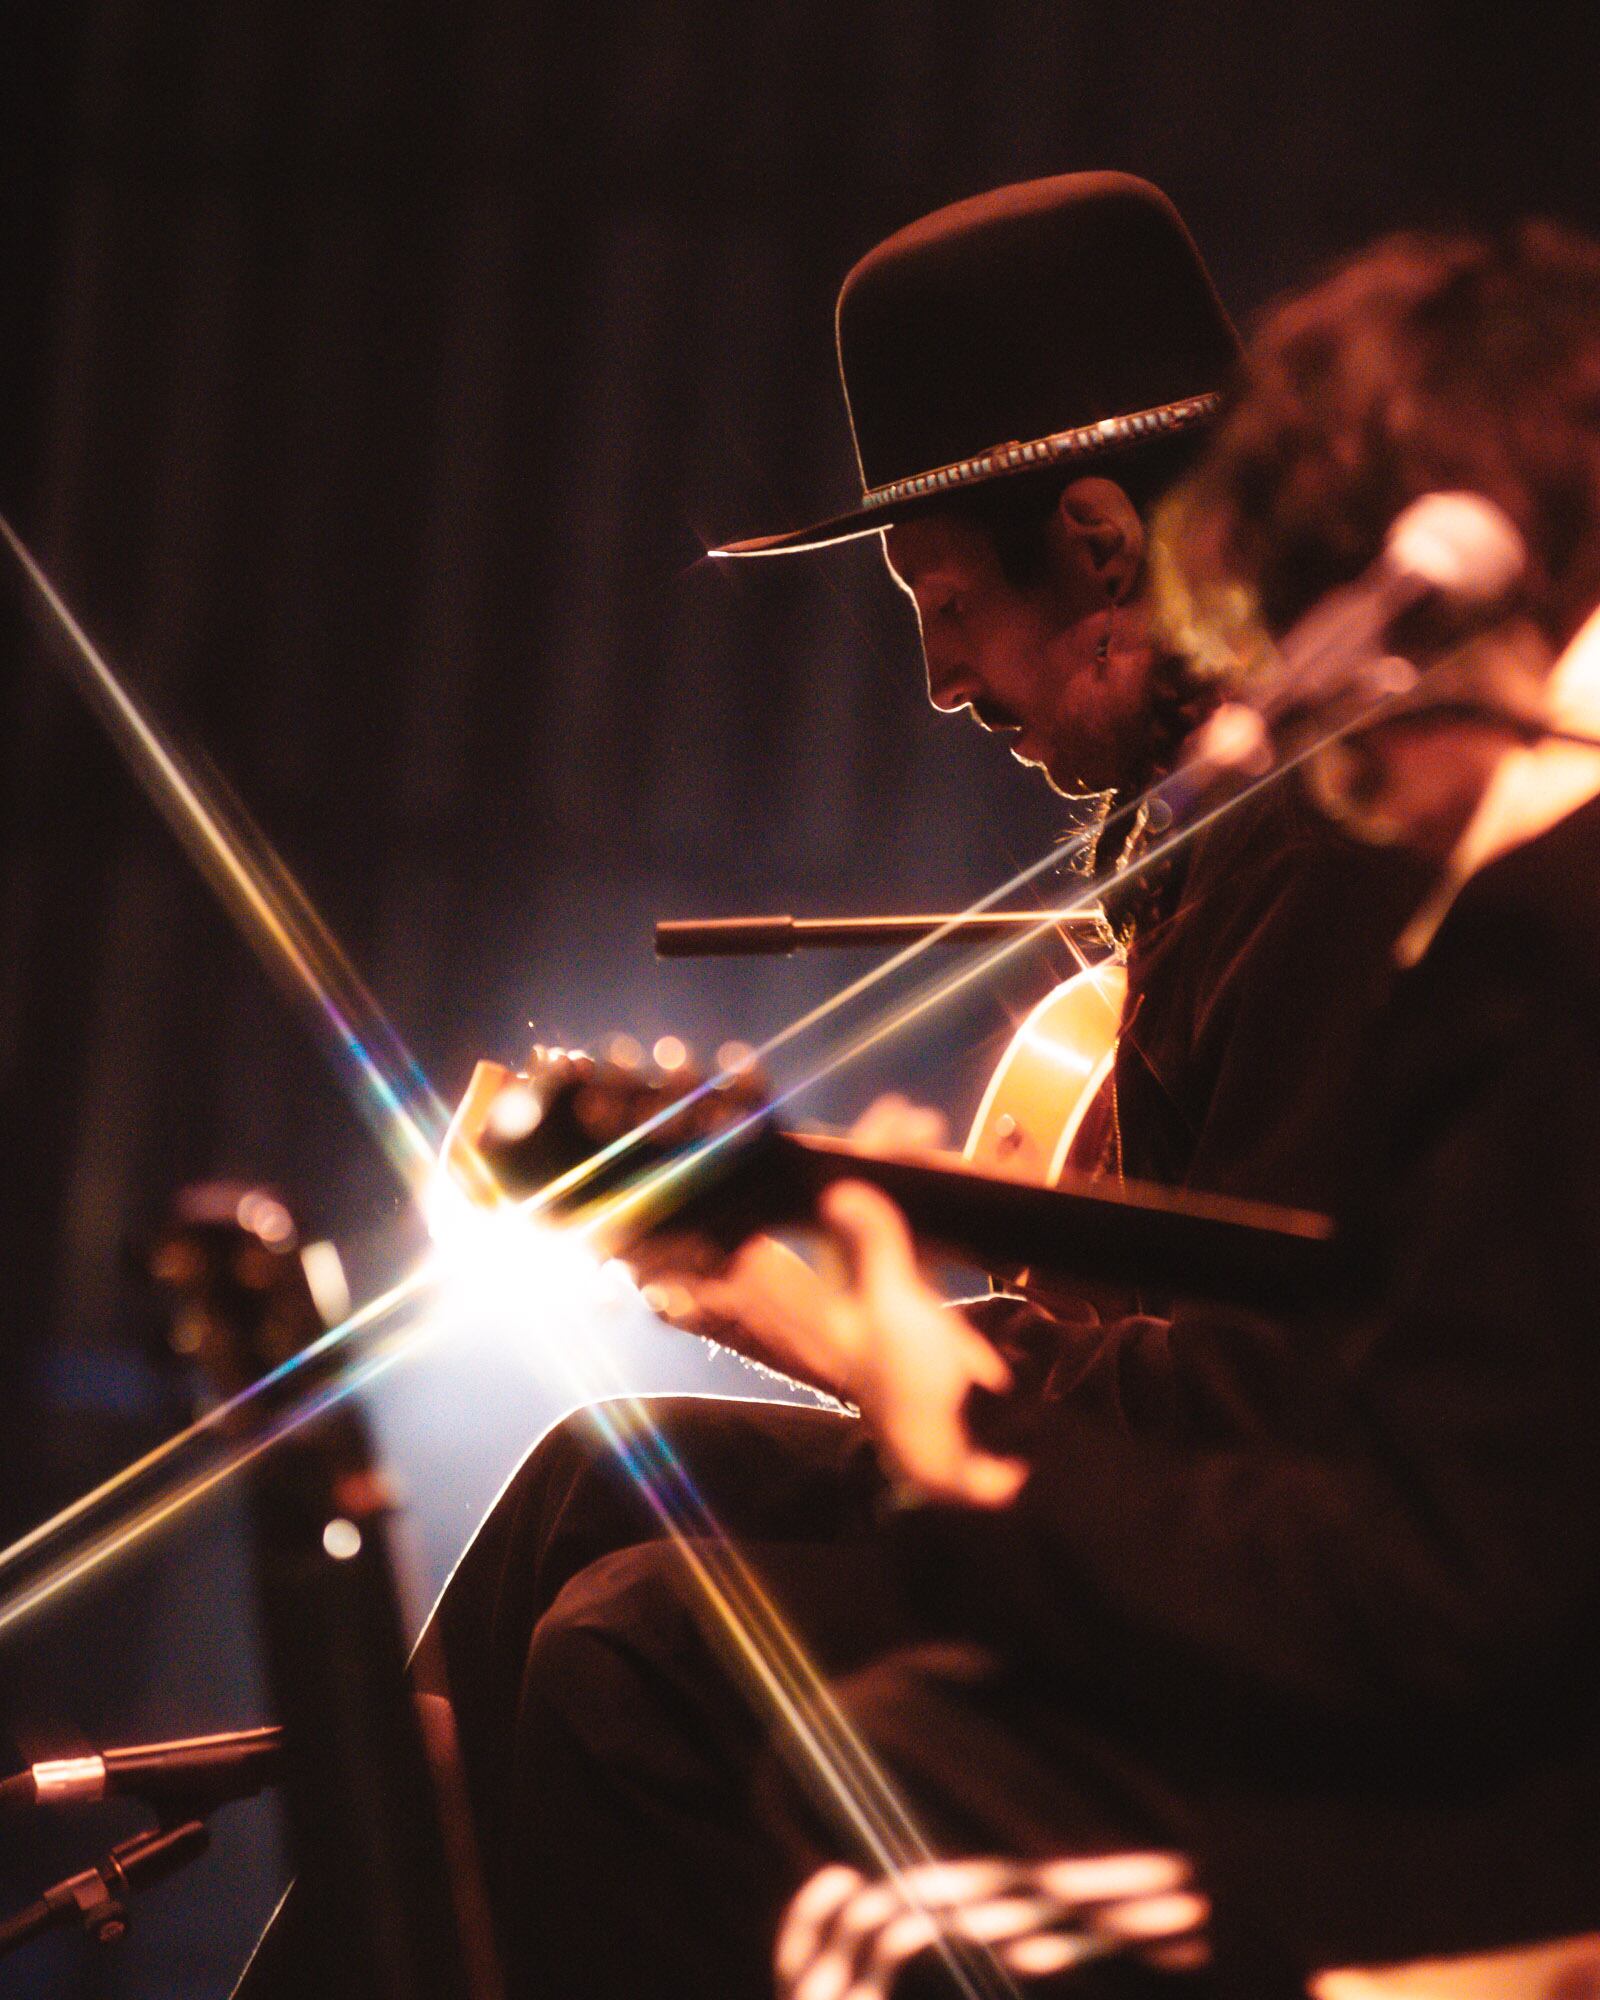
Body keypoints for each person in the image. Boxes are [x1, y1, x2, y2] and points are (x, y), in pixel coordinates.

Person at [392, 174, 1466, 2000]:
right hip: (1184, 1546)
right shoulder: (1229, 833)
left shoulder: (1340, 836)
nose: (942, 675)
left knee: (632, 1655)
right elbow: (1144, 1351)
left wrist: (837, 1321)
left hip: (1326, 1656)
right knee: (599, 1482)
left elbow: (1256, 1419)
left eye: (948, 600)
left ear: (1104, 544)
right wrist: (812, 1285)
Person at [749, 219, 1600, 1997]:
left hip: (1517, 1802)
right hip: (1471, 1697)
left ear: (1459, 600)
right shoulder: (1512, 903)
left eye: (1311, 637)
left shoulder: (1549, 927)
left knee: (887, 1854)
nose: (1314, 751)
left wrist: (955, 1422)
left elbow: (1436, 1586)